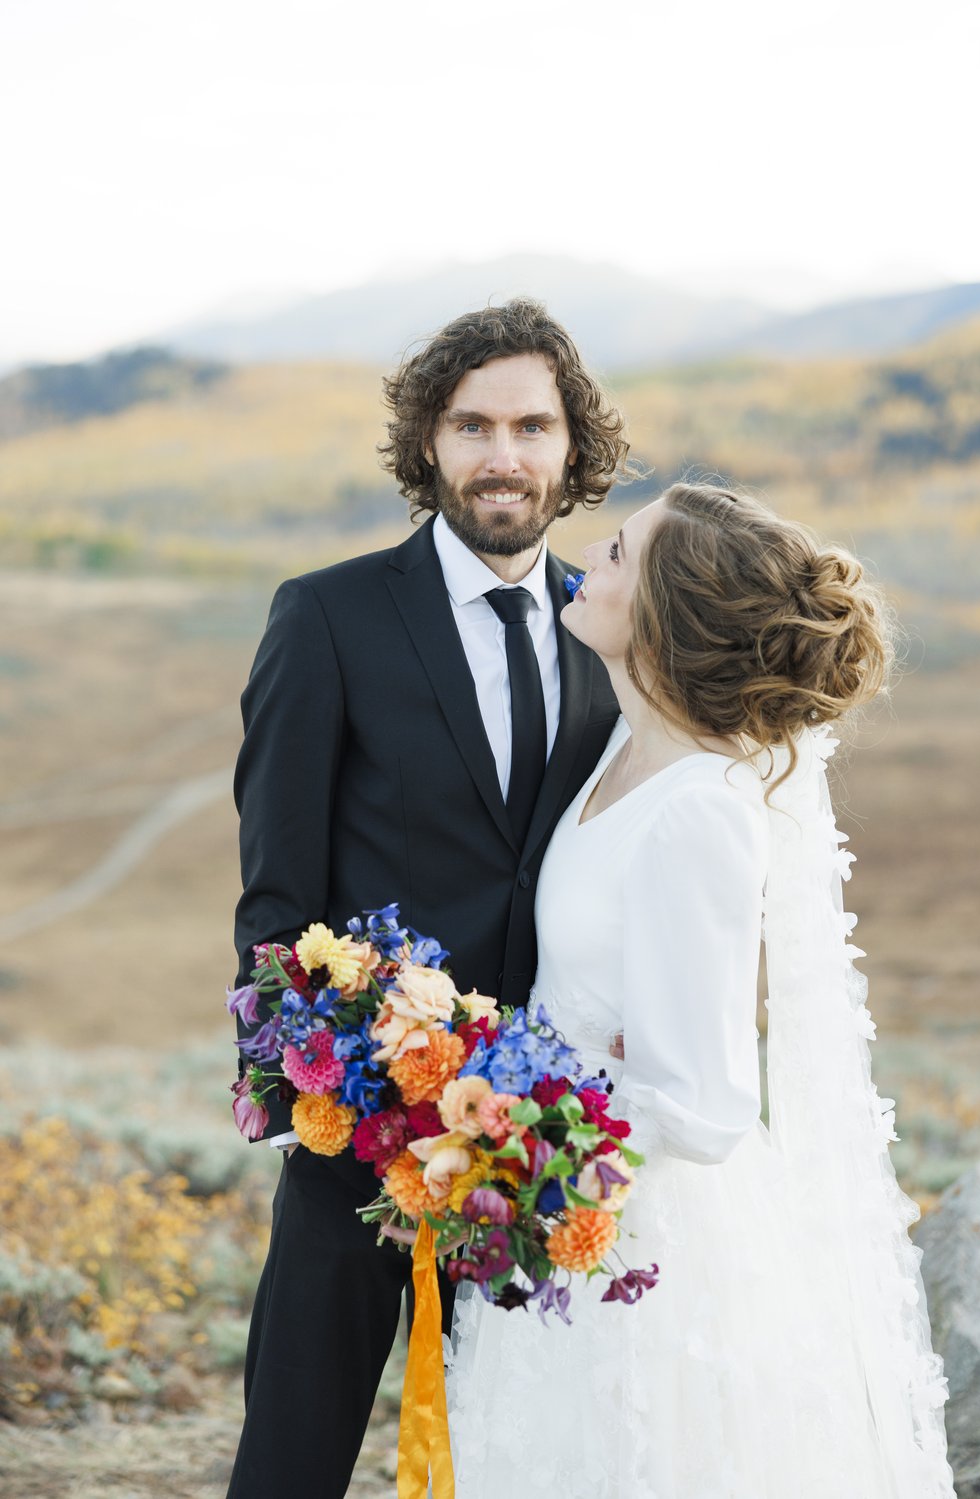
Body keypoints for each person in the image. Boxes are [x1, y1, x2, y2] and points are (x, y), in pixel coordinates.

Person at [446, 483, 956, 1497]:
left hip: (644, 1259)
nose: (591, 548)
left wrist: (521, 1109)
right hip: (563, 1227)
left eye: (624, 550)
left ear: (668, 611)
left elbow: (705, 1107)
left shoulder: (699, 811)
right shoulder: (617, 753)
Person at [225, 298, 633, 1498]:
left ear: (571, 449)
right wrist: (311, 1084)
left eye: (530, 425)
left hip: (535, 1152)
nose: (502, 454)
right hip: (362, 1136)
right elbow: (275, 888)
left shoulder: (604, 633)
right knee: (291, 1458)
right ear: (428, 445)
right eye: (471, 424)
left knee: (500, 1460)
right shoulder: (328, 615)